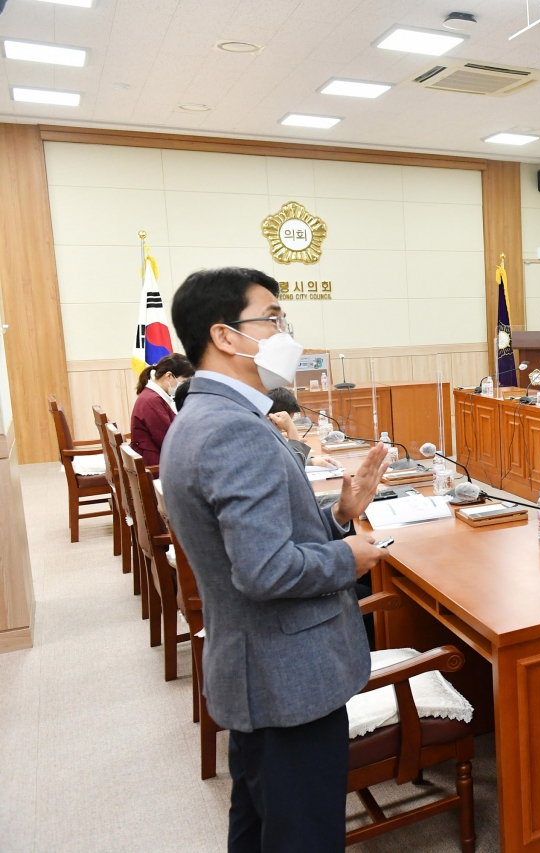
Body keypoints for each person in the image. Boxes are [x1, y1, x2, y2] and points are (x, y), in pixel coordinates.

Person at [160, 267, 391, 853]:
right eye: (273, 318)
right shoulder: (231, 431)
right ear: (227, 336)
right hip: (288, 675)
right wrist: (350, 556)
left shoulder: (208, 417)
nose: (285, 331)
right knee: (302, 835)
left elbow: (262, 539)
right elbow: (265, 571)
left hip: (258, 669)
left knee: (261, 825)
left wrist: (341, 513)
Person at [130, 353, 195, 466]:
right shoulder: (152, 401)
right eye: (184, 381)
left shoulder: (153, 397)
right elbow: (169, 441)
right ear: (169, 376)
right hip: (154, 466)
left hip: (154, 459)